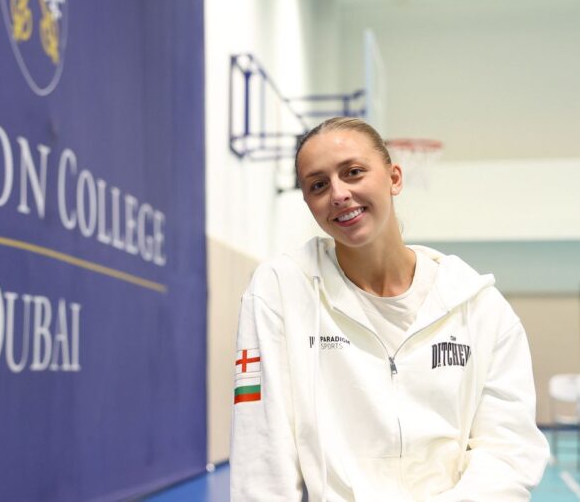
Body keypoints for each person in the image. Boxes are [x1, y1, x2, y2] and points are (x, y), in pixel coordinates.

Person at [229, 117, 549, 501]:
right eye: (318, 185)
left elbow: (508, 450)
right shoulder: (279, 290)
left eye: (353, 172)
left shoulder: (478, 306)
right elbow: (261, 453)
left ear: (394, 178)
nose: (338, 193)